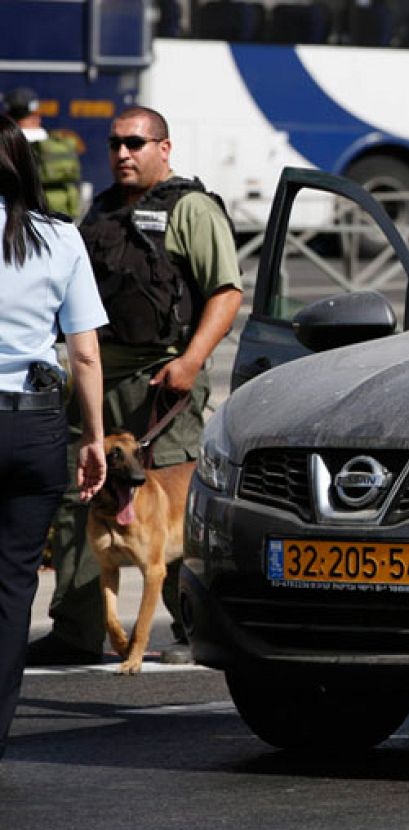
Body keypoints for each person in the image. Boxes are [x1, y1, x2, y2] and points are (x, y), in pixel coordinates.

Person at [25, 105, 241, 667]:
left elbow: (225, 292)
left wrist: (192, 361)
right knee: (82, 499)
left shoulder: (189, 209)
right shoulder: (99, 211)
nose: (122, 153)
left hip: (161, 383)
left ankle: (191, 628)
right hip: (97, 380)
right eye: (115, 143)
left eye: (135, 143)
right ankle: (76, 628)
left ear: (163, 149)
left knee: (170, 506)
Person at [0, 114, 105, 756]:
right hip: (36, 422)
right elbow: (85, 352)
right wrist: (92, 435)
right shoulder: (62, 239)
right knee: (14, 584)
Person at [4, 87, 82, 222]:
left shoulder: (10, 140)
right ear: (35, 114)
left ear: (9, 113)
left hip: (25, 213)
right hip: (59, 212)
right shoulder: (48, 139)